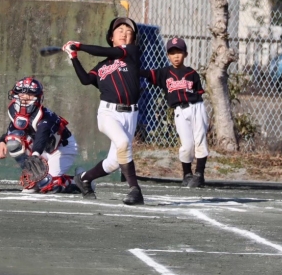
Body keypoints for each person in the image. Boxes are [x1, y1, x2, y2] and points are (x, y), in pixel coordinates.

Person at [63, 17, 144, 206]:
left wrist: (80, 46)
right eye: (120, 30)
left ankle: (84, 178)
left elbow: (108, 51)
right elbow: (85, 79)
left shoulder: (131, 52)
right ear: (111, 37)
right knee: (123, 143)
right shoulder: (102, 67)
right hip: (108, 113)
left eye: (129, 31)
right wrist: (73, 57)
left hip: (131, 114)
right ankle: (135, 189)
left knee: (114, 162)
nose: (124, 33)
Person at [140, 37, 209, 188]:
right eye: (172, 53)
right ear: (168, 55)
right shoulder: (164, 73)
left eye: (179, 52)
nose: (176, 56)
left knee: (200, 140)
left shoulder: (192, 73)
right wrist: (132, 69)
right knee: (186, 145)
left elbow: (198, 92)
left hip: (196, 107)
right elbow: (147, 74)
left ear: (186, 54)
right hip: (179, 110)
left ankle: (199, 174)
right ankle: (187, 174)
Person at [0, 76, 79, 194]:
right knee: (13, 141)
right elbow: (15, 128)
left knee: (49, 185)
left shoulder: (45, 117)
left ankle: (79, 180)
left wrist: (35, 155)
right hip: (42, 149)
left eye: (29, 94)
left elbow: (41, 136)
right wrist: (2, 141)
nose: (24, 97)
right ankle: (33, 174)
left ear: (38, 97)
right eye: (21, 93)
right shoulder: (15, 111)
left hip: (61, 149)